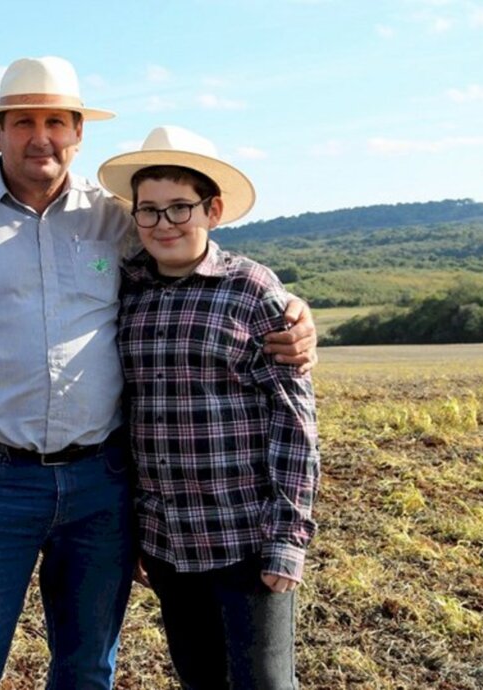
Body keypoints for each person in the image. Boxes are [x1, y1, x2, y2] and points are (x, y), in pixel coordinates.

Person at [0, 57, 317, 690]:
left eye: (57, 121)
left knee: (88, 667)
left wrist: (295, 318)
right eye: (24, 121)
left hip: (101, 483)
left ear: (79, 132)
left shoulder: (112, 218)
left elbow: (199, 265)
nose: (42, 137)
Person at [98, 125, 320, 689]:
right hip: (167, 540)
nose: (163, 224)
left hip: (244, 537)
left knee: (263, 684)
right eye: (148, 211)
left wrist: (287, 540)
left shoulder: (254, 292)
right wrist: (138, 534)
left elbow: (294, 426)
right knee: (199, 679)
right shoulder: (128, 291)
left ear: (213, 209)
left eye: (179, 208)